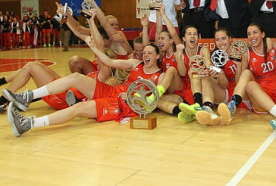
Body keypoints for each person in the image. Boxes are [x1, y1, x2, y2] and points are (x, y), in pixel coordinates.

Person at [4, 39, 164, 137]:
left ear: (157, 56)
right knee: (76, 77)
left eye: (150, 53)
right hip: (112, 91)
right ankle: (27, 96)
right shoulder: (136, 64)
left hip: (123, 104)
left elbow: (153, 101)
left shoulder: (160, 76)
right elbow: (110, 62)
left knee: (79, 108)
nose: (146, 55)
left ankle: (28, 124)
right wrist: (93, 47)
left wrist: (132, 100)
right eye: (144, 52)